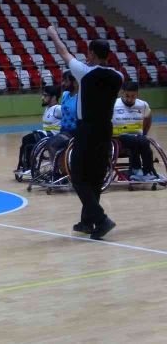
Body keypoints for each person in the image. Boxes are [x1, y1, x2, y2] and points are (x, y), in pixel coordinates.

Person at [48, 25, 123, 240]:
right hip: (105, 129)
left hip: (87, 129)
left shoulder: (85, 72)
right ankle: (88, 222)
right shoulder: (118, 76)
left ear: (91, 53)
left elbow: (64, 53)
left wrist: (54, 35)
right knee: (95, 177)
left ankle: (100, 219)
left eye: (88, 53)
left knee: (79, 176)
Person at [112, 81, 156, 181]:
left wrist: (144, 133)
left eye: (133, 96)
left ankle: (147, 170)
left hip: (137, 136)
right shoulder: (113, 104)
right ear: (122, 93)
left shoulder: (143, 105)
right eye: (127, 96)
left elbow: (148, 117)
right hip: (119, 137)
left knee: (145, 141)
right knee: (136, 141)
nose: (130, 99)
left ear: (137, 94)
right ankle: (136, 169)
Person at [15, 85, 62, 175]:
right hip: (47, 134)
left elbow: (68, 117)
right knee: (25, 140)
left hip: (54, 136)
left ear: (54, 97)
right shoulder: (48, 108)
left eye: (45, 95)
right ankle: (23, 165)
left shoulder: (58, 109)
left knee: (28, 139)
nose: (42, 98)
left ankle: (29, 167)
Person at [44, 70, 78, 166]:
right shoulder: (65, 95)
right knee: (48, 141)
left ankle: (59, 170)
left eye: (66, 81)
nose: (63, 84)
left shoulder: (80, 98)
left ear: (75, 83)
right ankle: (58, 167)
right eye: (62, 81)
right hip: (63, 131)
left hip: (75, 132)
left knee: (52, 144)